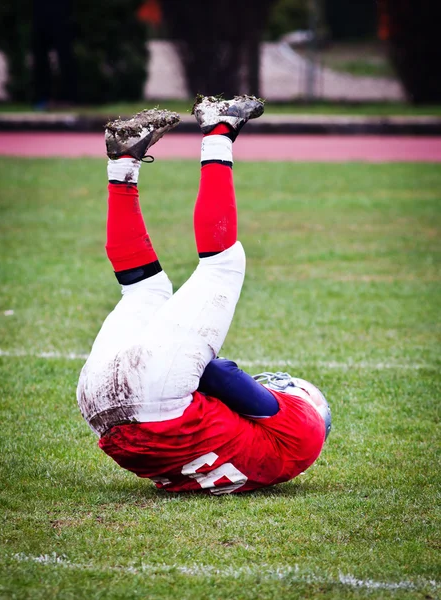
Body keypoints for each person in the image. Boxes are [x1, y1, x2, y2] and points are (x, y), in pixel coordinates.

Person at [77, 95, 331, 495]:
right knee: (145, 289)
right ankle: (122, 162)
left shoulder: (305, 432)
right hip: (102, 413)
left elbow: (220, 374)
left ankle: (219, 127)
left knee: (223, 263)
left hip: (160, 401)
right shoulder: (268, 460)